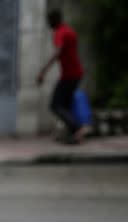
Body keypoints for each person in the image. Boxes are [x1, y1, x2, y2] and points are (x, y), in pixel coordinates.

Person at [37, 9, 86, 143]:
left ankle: (77, 129)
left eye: (49, 21)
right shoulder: (69, 30)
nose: (48, 24)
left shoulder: (60, 33)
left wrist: (43, 71)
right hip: (75, 73)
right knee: (66, 105)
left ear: (54, 20)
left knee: (55, 105)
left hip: (69, 75)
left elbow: (58, 51)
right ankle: (72, 133)